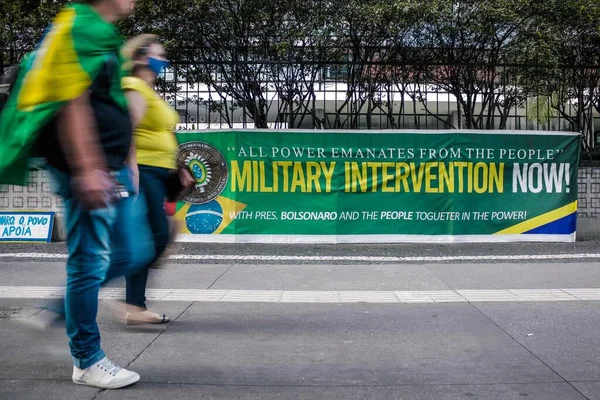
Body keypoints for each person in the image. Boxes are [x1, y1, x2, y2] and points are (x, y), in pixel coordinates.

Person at [0, 0, 148, 390]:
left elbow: (108, 101)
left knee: (130, 252)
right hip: (85, 168)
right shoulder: (78, 26)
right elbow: (72, 102)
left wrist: (125, 158)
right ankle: (87, 359)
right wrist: (86, 168)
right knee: (89, 261)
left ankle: (54, 312)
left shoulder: (99, 30)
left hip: (107, 166)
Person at [120, 34, 195, 324]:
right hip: (145, 170)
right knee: (155, 238)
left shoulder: (151, 90)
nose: (163, 60)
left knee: (163, 234)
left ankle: (134, 305)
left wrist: (181, 167)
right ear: (140, 58)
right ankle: (132, 305)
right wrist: (132, 169)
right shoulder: (135, 86)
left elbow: (164, 133)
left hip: (161, 171)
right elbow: (128, 129)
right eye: (158, 55)